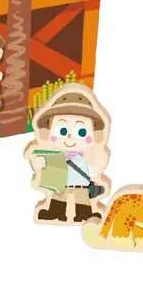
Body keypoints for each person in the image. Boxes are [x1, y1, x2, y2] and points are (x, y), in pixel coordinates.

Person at [24, 87, 111, 224]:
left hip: (81, 186)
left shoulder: (84, 158)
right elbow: (42, 165)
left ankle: (84, 215)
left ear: (95, 135)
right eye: (62, 131)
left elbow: (93, 171)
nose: (70, 137)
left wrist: (96, 171)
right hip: (60, 185)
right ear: (47, 132)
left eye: (81, 132)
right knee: (58, 200)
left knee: (82, 203)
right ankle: (55, 213)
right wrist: (36, 160)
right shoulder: (54, 156)